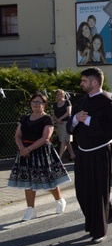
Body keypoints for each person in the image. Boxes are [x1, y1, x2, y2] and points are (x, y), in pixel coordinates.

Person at [68, 67, 112, 243]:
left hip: (100, 152)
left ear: (95, 82)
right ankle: (107, 213)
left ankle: (99, 230)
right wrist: (76, 119)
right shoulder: (82, 102)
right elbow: (71, 125)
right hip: (82, 152)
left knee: (99, 191)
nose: (81, 84)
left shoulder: (109, 104)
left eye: (84, 81)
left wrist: (89, 121)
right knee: (82, 192)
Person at [9, 93, 71, 221]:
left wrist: (29, 149)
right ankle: (30, 210)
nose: (36, 104)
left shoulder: (47, 119)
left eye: (39, 102)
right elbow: (17, 135)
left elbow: (45, 138)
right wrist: (22, 149)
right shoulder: (24, 118)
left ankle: (59, 200)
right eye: (34, 102)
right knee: (28, 182)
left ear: (44, 104)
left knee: (47, 180)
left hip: (40, 152)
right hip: (25, 153)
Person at [52, 89, 75, 161]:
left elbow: (68, 112)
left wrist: (60, 118)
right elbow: (53, 113)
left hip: (66, 123)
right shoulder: (55, 104)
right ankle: (72, 155)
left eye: (61, 94)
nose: (59, 96)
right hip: (59, 124)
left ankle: (59, 157)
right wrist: (57, 119)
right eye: (58, 94)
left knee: (63, 140)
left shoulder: (67, 102)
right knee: (66, 141)